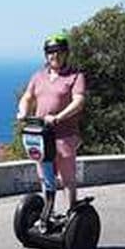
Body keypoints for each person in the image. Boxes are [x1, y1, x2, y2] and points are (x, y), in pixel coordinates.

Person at [17, 32, 86, 220]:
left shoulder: (75, 76)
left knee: (66, 177)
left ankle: (71, 212)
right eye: (50, 52)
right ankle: (49, 213)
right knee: (45, 176)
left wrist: (58, 117)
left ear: (65, 53)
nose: (54, 56)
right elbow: (27, 97)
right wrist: (23, 111)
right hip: (41, 135)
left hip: (65, 135)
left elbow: (78, 101)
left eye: (58, 52)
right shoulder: (38, 76)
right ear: (46, 55)